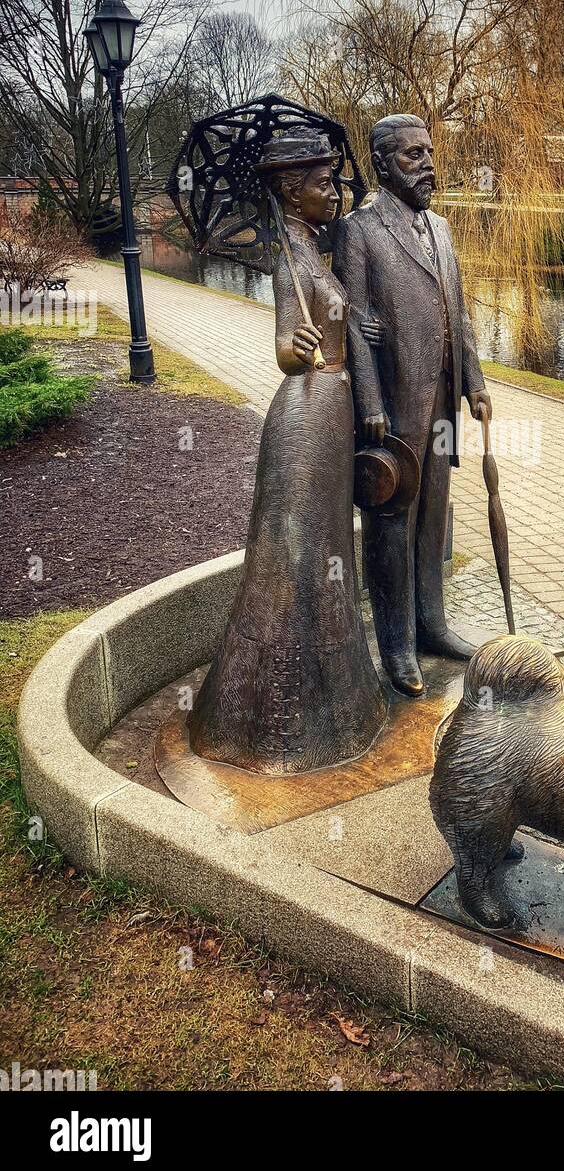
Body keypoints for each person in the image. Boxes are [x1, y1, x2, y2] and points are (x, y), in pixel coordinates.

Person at [188, 129, 387, 772]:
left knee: (326, 550)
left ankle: (335, 696)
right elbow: (282, 349)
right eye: (322, 183)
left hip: (331, 415)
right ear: (291, 191)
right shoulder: (289, 261)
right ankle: (274, 716)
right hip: (306, 421)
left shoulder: (315, 254)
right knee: (295, 555)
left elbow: (338, 319)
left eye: (333, 180)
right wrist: (294, 346)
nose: (333, 192)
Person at [333, 114, 491, 696]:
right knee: (391, 523)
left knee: (432, 519)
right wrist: (369, 397)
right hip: (394, 404)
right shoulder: (360, 230)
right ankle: (396, 644)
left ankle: (432, 625)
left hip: (444, 402)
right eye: (412, 156)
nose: (428, 165)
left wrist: (474, 382)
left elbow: (459, 313)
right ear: (381, 164)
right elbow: (351, 318)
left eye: (429, 152)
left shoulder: (442, 229)